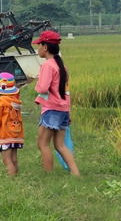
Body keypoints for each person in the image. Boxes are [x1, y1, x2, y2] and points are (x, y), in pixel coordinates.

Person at [32, 31, 80, 176]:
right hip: (63, 109)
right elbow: (66, 91)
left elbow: (42, 88)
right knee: (60, 145)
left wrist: (37, 82)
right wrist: (68, 112)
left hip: (51, 110)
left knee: (43, 143)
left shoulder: (47, 65)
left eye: (39, 45)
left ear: (45, 47)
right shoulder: (61, 66)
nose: (37, 48)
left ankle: (49, 175)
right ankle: (75, 174)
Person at [0, 72, 24, 177]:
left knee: (6, 159)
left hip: (5, 135)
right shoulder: (15, 101)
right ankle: (16, 178)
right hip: (16, 134)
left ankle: (12, 181)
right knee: (14, 159)